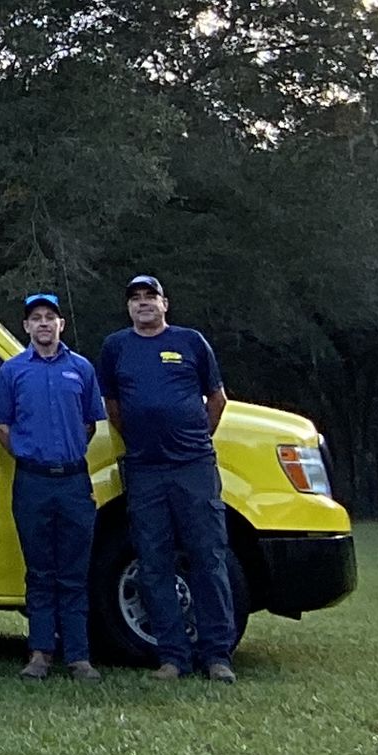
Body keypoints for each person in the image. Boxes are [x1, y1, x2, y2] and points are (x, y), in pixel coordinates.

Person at [99, 274, 237, 683]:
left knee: (208, 558)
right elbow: (113, 406)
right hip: (144, 470)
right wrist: (144, 441)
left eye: (150, 297)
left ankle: (217, 656)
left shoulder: (191, 342)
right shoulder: (115, 347)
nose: (143, 303)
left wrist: (193, 439)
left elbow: (217, 399)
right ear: (128, 308)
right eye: (135, 298)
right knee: (153, 562)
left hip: (193, 467)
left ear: (165, 304)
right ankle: (172, 657)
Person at [0, 292, 105, 682]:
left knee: (74, 571)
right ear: (25, 326)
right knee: (39, 571)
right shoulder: (13, 371)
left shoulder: (82, 369)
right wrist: (26, 453)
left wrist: (65, 453)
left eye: (49, 317)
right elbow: (0, 426)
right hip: (32, 482)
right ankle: (39, 653)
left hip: (73, 481)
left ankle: (78, 657)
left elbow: (90, 424)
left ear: (61, 325)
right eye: (36, 318)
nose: (43, 324)